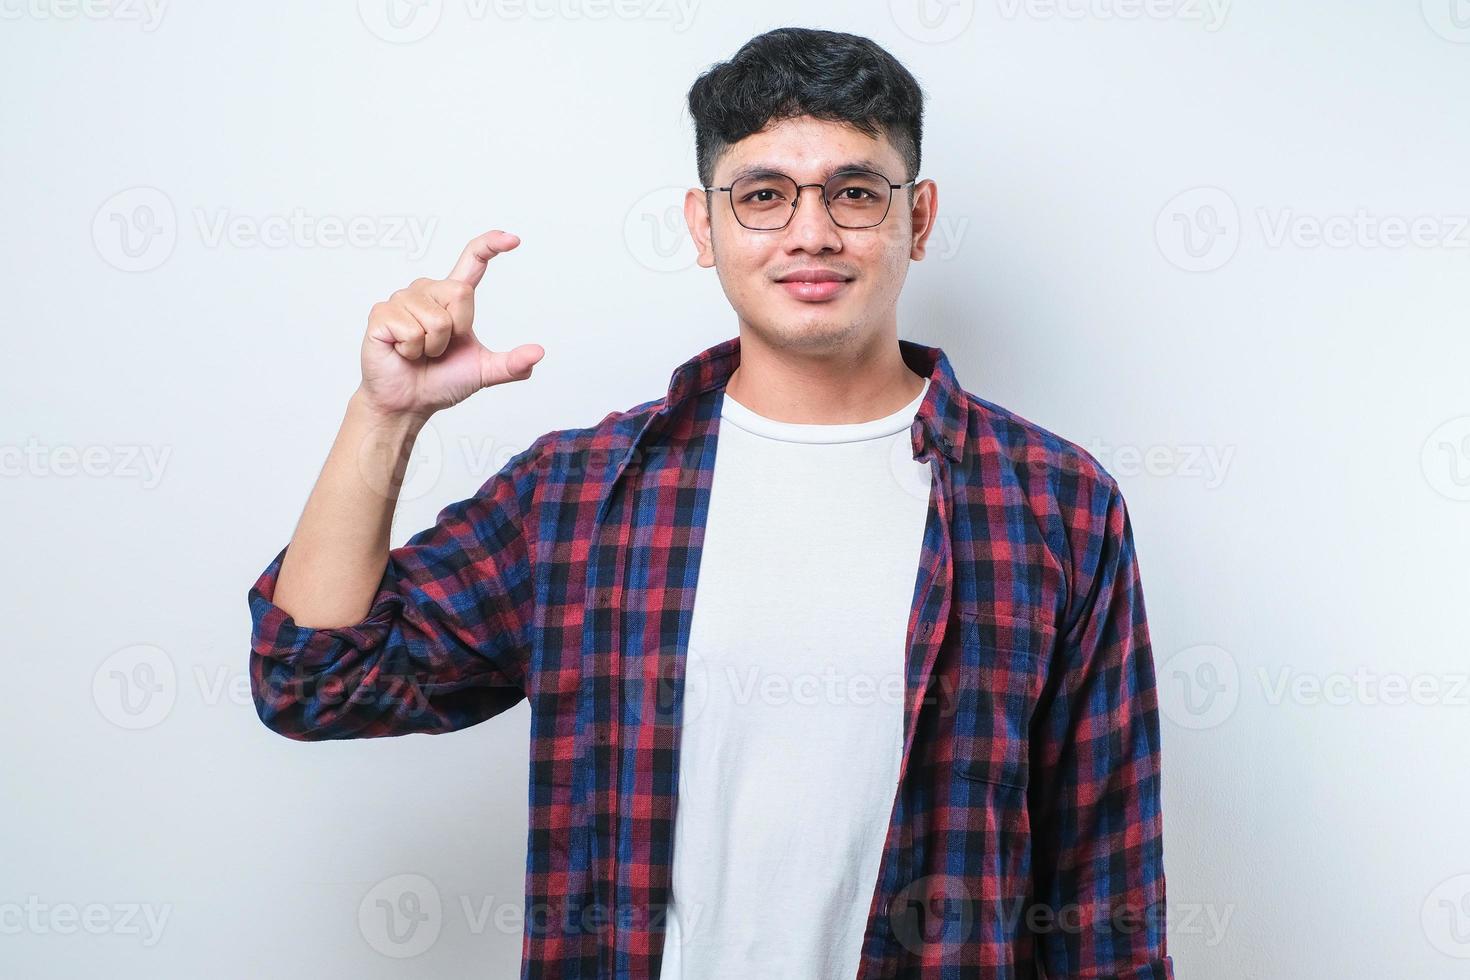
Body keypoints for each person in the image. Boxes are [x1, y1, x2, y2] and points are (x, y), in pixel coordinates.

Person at [247, 26, 1173, 980]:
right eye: (764, 196)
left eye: (855, 193)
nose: (811, 233)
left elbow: (1107, 906)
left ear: (919, 217)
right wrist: (385, 416)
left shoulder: (1053, 506)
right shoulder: (582, 494)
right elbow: (314, 680)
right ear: (704, 226)